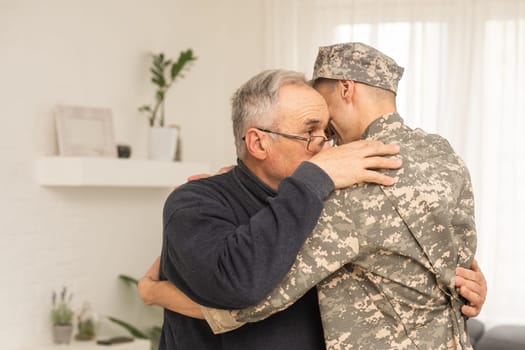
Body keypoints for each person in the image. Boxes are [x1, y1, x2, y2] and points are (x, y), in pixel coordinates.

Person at [190, 43, 480, 349]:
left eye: (322, 102)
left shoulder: (356, 179)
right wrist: (240, 177)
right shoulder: (443, 154)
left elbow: (257, 297)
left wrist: (157, 294)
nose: (324, 128)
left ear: (345, 89)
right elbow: (459, 266)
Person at [153, 69, 404, 350]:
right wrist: (313, 178)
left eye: (327, 133)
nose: (324, 147)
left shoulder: (332, 201)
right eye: (310, 132)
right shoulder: (194, 202)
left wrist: (461, 285)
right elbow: (237, 283)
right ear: (259, 143)